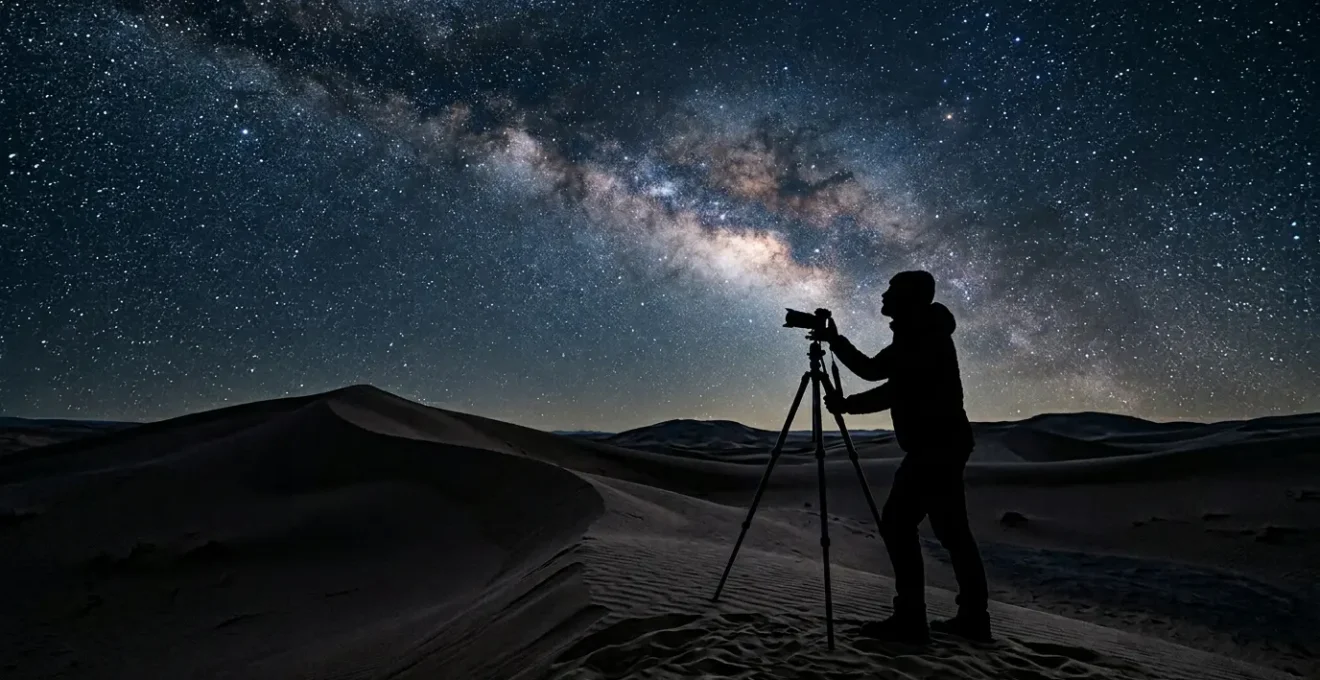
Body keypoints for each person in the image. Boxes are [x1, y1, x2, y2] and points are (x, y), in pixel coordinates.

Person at [811, 270, 991, 644]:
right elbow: (875, 370)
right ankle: (972, 619)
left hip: (935, 447)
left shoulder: (923, 337)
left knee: (899, 523)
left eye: (892, 290)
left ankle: (912, 620)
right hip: (942, 444)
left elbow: (890, 388)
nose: (883, 294)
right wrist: (836, 341)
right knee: (953, 533)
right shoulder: (918, 333)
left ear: (909, 297)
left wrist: (847, 405)